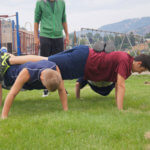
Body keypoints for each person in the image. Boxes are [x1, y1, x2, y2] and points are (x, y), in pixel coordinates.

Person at [1, 45, 150, 112]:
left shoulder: (127, 63)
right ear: (138, 63)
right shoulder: (126, 60)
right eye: (141, 69)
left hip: (83, 55)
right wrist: (120, 109)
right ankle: (10, 60)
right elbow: (121, 86)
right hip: (82, 60)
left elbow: (118, 85)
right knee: (47, 61)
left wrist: (119, 107)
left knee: (48, 61)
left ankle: (11, 61)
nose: (139, 72)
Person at [0, 54, 68, 119]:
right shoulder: (27, 72)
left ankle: (7, 56)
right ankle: (4, 57)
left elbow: (61, 89)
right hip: (9, 75)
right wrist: (4, 115)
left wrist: (65, 109)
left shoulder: (55, 67)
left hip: (26, 71)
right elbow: (12, 93)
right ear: (41, 79)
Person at [34, 0, 69, 96]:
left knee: (60, 63)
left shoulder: (62, 3)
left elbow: (64, 19)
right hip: (45, 35)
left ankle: (62, 88)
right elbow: (36, 21)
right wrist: (36, 37)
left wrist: (67, 35)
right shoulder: (40, 3)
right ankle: (45, 88)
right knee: (45, 63)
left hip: (58, 36)